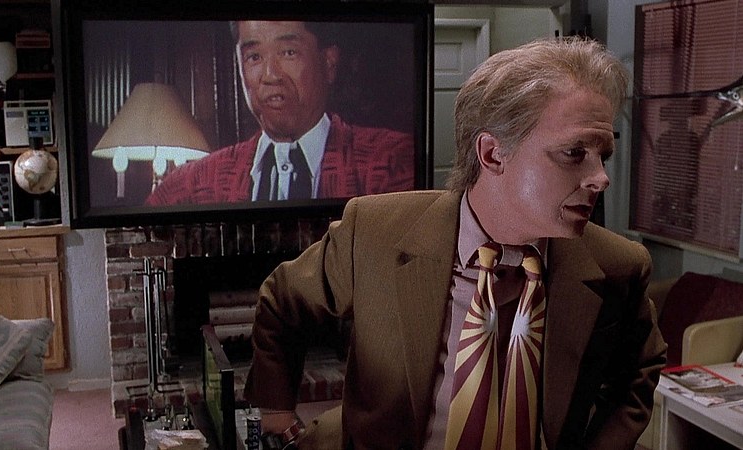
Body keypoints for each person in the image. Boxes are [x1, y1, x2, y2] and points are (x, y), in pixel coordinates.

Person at [243, 36, 667, 450]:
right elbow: (284, 300)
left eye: (603, 155)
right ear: (492, 154)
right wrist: (276, 411)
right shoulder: (373, 232)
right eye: (574, 153)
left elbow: (638, 372)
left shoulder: (618, 265)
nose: (601, 178)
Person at [145, 20, 414, 206]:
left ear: (329, 63)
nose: (270, 75)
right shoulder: (194, 184)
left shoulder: (392, 161)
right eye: (254, 57)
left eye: (288, 52)